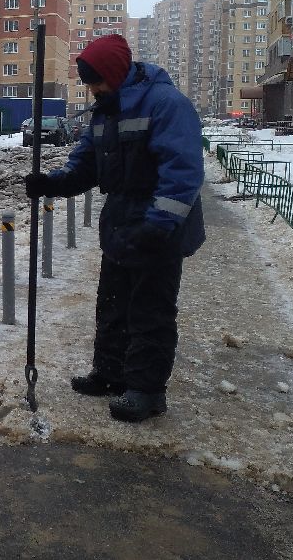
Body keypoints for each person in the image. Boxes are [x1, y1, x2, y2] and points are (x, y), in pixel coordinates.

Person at [23, 34, 205, 423]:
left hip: (158, 225)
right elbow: (84, 165)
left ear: (116, 73)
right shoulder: (106, 113)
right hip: (121, 220)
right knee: (112, 304)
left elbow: (183, 173)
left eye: (97, 81)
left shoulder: (167, 105)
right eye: (88, 84)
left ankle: (146, 391)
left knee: (149, 311)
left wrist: (159, 226)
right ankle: (110, 373)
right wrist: (52, 183)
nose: (94, 90)